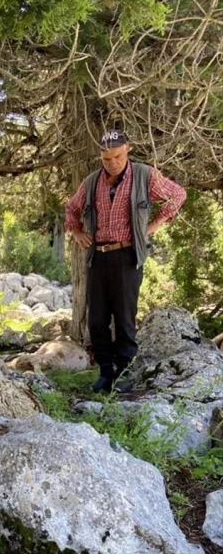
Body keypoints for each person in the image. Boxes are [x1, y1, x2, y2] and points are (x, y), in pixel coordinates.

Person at [65, 130, 186, 393]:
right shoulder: (91, 182)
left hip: (127, 256)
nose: (112, 163)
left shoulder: (144, 175)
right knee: (96, 319)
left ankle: (124, 374)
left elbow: (177, 195)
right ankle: (105, 373)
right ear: (101, 156)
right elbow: (71, 208)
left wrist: (153, 225)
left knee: (124, 318)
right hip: (97, 255)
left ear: (127, 150)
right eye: (106, 158)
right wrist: (76, 232)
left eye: (117, 156)